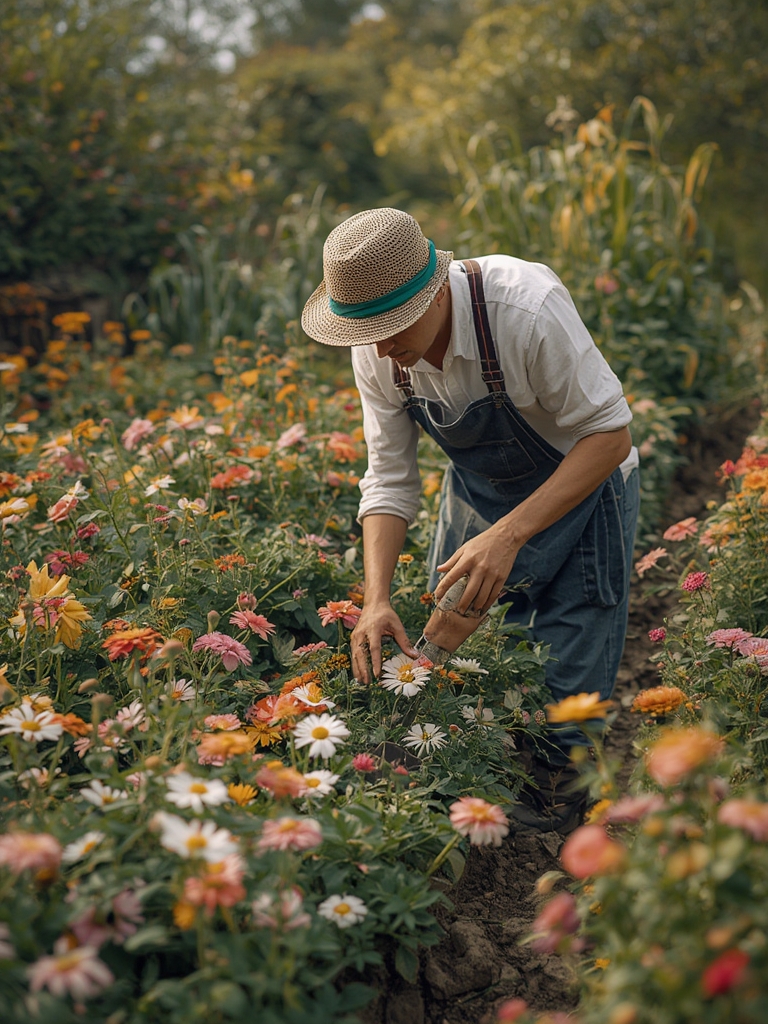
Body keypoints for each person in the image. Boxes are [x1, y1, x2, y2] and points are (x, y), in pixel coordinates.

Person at [301, 208, 640, 832]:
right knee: (441, 640)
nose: (380, 346)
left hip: (583, 481)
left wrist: (509, 534)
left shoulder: (524, 309)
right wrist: (375, 600)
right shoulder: (378, 351)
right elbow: (389, 479)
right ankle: (445, 774)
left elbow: (609, 435)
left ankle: (557, 791)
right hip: (480, 489)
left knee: (569, 641)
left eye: (392, 325)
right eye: (366, 331)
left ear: (435, 290)